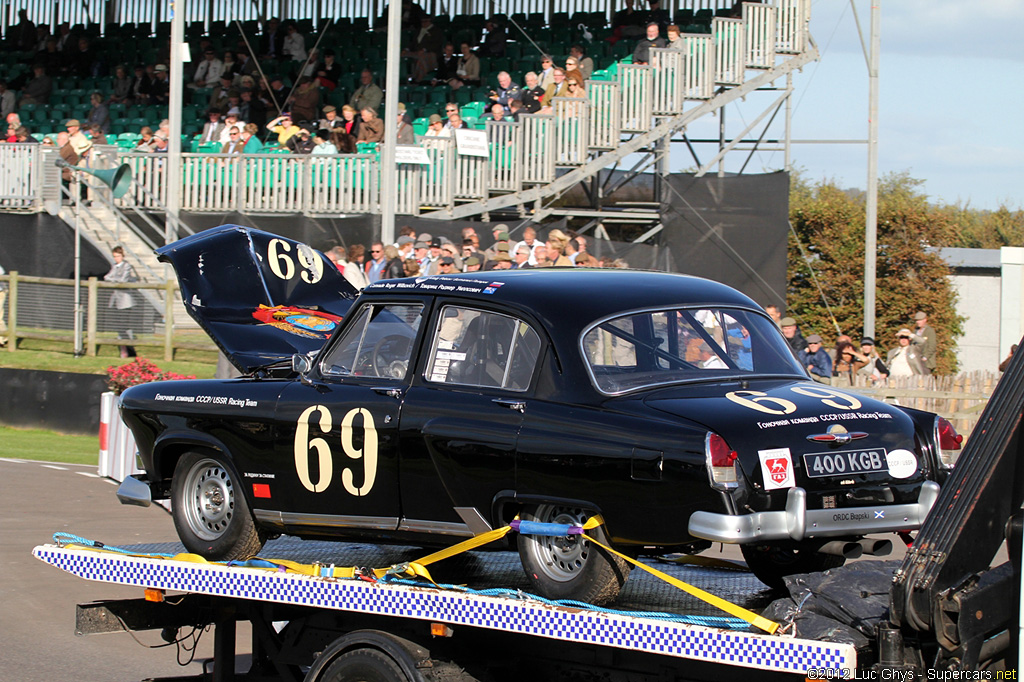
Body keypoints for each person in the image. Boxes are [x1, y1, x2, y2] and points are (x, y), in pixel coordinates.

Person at [105, 246, 139, 358]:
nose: (116, 258)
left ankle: (129, 350)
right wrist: (114, 279)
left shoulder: (127, 266)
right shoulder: (114, 266)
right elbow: (106, 277)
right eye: (115, 256)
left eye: (118, 256)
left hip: (125, 301)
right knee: (119, 326)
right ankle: (125, 348)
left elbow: (123, 280)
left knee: (124, 325)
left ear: (123, 256)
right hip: (116, 301)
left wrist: (113, 279)